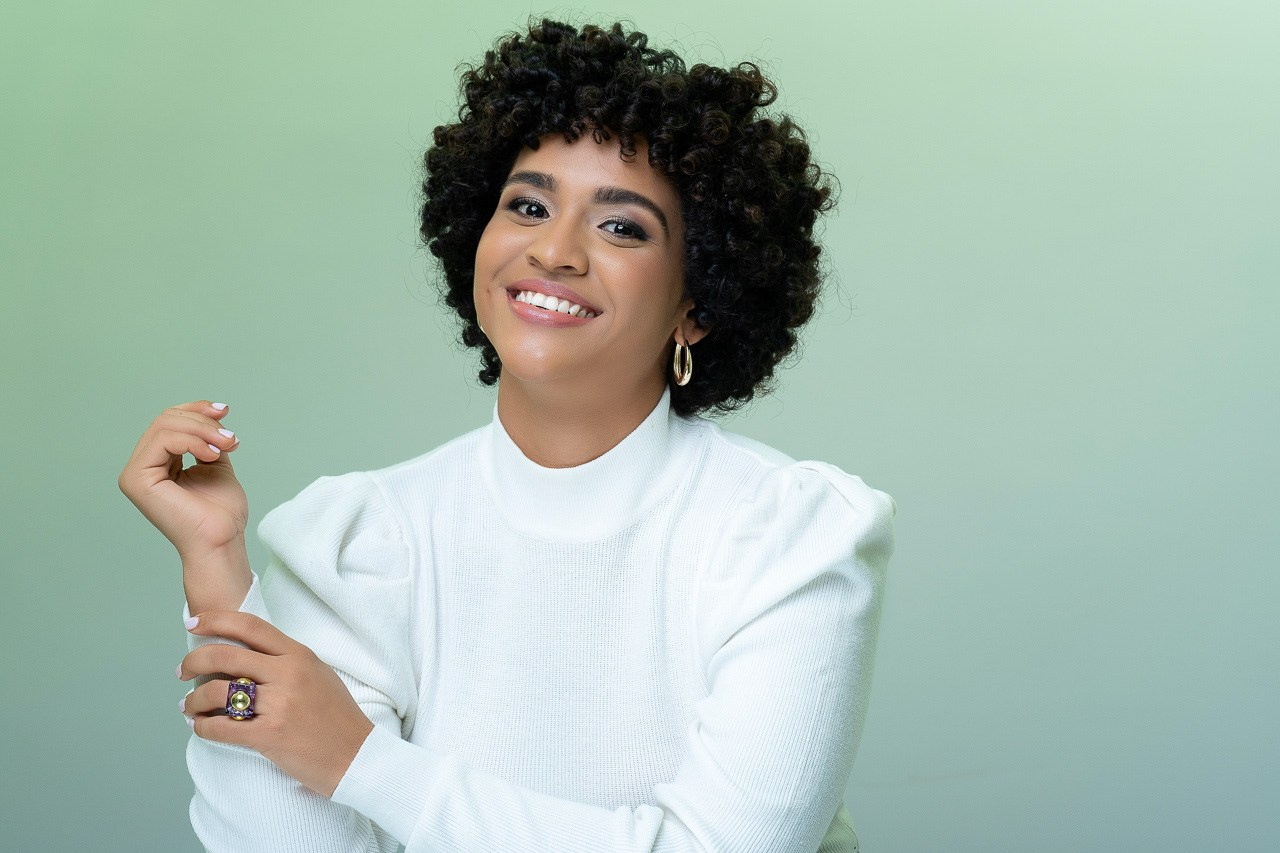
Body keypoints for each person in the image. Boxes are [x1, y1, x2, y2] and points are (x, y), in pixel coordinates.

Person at [119, 18, 895, 852]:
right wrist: (218, 571)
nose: (553, 250)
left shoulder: (787, 534)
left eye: (622, 226)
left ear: (697, 303)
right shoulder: (363, 536)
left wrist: (364, 762)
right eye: (527, 205)